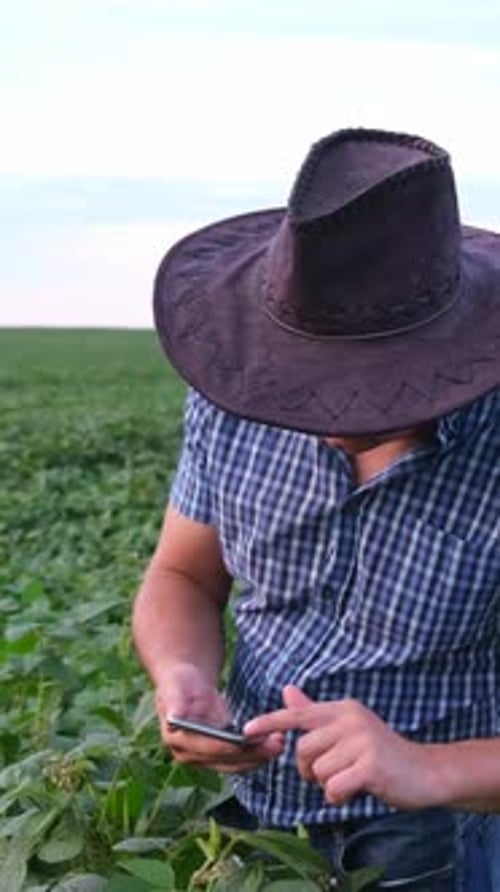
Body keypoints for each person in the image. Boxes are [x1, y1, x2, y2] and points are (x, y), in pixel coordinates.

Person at [132, 127, 500, 890]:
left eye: (374, 376)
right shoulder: (235, 401)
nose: (331, 408)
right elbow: (182, 575)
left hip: (449, 842)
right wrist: (184, 675)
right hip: (254, 826)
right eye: (311, 373)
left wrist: (428, 767)